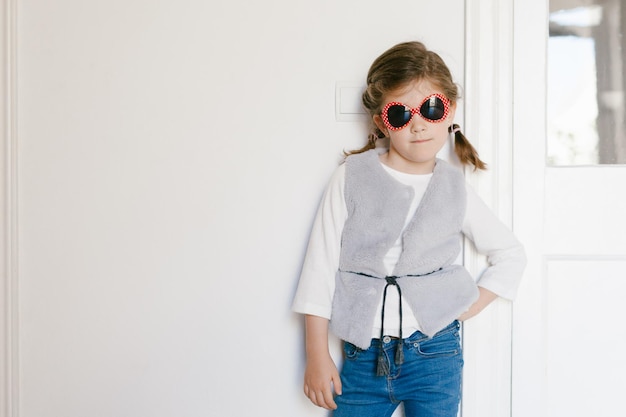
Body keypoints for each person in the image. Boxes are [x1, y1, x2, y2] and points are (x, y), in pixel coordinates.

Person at [292, 41, 526, 417]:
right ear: (382, 122)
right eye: (400, 113)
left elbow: (510, 254)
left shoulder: (453, 187)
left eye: (431, 108)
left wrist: (463, 308)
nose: (417, 124)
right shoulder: (351, 178)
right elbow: (319, 268)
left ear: (449, 111)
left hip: (436, 354)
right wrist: (316, 356)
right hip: (362, 355)